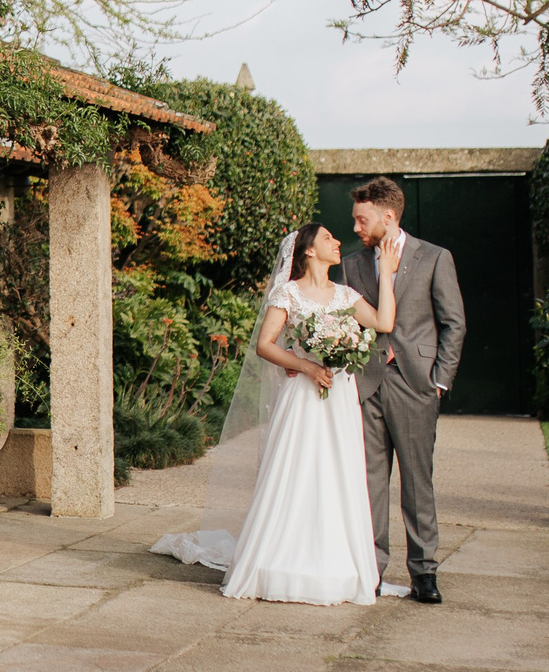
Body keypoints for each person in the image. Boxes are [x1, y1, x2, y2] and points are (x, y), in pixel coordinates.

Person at [150, 222, 399, 606]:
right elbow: (265, 345)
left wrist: (387, 276)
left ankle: (338, 565)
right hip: (303, 395)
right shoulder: (289, 293)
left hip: (339, 399)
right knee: (295, 471)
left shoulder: (346, 295)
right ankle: (278, 560)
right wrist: (305, 365)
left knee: (338, 473)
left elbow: (383, 323)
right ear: (310, 251)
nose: (337, 243)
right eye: (328, 238)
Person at [340, 176, 466, 604]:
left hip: (416, 384)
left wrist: (439, 381)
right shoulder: (354, 265)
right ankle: (371, 569)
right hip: (367, 384)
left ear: (388, 217)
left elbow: (454, 323)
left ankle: (424, 572)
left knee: (417, 482)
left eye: (362, 219)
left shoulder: (433, 257)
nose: (356, 228)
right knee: (370, 481)